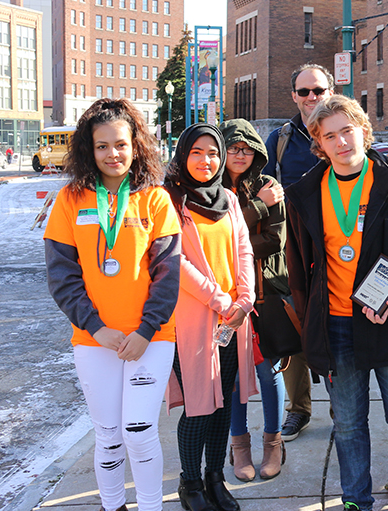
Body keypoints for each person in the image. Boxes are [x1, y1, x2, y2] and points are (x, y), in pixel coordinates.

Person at [285, 94, 388, 511]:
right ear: (319, 143)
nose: (341, 142)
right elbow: (298, 271)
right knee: (349, 424)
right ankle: (355, 501)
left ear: (364, 131)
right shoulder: (305, 194)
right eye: (329, 136)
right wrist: (308, 325)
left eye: (347, 131)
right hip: (336, 326)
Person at [44, 98, 181, 511]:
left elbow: (168, 274)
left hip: (151, 338)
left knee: (138, 430)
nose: (112, 154)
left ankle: (151, 506)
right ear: (89, 149)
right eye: (102, 146)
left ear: (135, 145)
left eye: (120, 144)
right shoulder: (70, 200)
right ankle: (112, 505)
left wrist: (145, 331)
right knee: (107, 435)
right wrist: (96, 328)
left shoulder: (155, 199)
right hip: (95, 340)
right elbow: (62, 276)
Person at [164, 123, 257, 511]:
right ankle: (190, 485)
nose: (207, 160)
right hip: (192, 321)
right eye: (197, 152)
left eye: (213, 153)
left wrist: (246, 298)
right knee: (199, 406)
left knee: (223, 405)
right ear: (183, 155)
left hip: (232, 321)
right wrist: (221, 301)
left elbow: (244, 250)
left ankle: (215, 478)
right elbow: (175, 262)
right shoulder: (169, 201)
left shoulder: (229, 199)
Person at [261, 63, 336, 441]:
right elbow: (262, 187)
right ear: (293, 95)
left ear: (330, 92)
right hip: (291, 251)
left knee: (336, 328)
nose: (311, 97)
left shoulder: (341, 133)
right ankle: (299, 409)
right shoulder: (281, 139)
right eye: (304, 91)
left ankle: (342, 406)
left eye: (318, 90)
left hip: (337, 249)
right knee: (294, 326)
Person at [219, 118, 290, 482]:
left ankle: (274, 442)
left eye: (247, 149)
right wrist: (258, 209)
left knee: (268, 371)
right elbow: (213, 235)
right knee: (232, 375)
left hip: (265, 294)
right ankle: (239, 446)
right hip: (224, 297)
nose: (240, 155)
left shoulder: (268, 185)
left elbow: (275, 240)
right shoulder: (210, 189)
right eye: (233, 148)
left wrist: (229, 246)